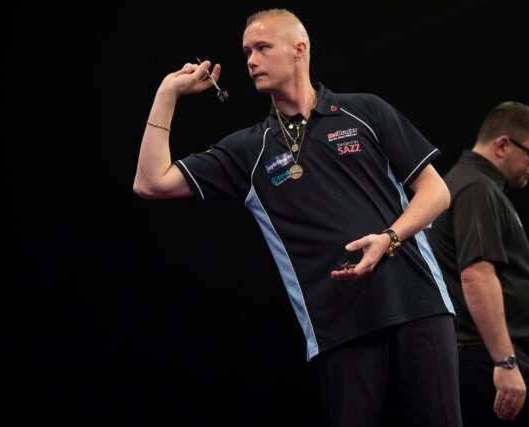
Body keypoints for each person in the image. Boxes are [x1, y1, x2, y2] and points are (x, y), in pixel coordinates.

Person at [133, 8, 462, 427]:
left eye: (262, 48)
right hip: (338, 330)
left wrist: (390, 238)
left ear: (298, 50)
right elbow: (150, 182)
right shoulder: (249, 150)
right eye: (247, 51)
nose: (250, 60)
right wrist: (167, 93)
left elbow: (437, 192)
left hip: (419, 308)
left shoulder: (365, 111)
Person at [427, 101, 529, 426]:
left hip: (478, 352)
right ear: (503, 144)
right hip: (487, 354)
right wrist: (505, 363)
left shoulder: (465, 184)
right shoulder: (476, 188)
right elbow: (476, 275)